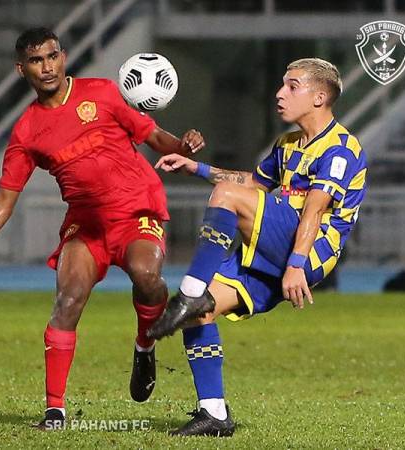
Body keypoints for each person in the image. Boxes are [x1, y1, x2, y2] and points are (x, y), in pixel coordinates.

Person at [0, 27, 205, 430]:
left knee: (147, 277)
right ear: (21, 69)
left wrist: (183, 147)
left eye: (51, 57)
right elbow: (3, 200)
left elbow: (153, 136)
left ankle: (145, 344)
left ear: (63, 57)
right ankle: (55, 411)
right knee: (67, 300)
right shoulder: (26, 131)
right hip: (85, 225)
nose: (46, 67)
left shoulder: (103, 92)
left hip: (136, 211)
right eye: (35, 61)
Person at [148, 58, 367, 437]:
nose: (280, 94)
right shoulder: (287, 145)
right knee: (201, 314)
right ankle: (213, 413)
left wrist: (297, 264)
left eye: (292, 86)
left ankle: (189, 290)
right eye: (282, 84)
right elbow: (252, 183)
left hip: (309, 250)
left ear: (319, 97)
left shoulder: (341, 148)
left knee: (226, 199)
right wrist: (194, 168)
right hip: (276, 250)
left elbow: (315, 211)